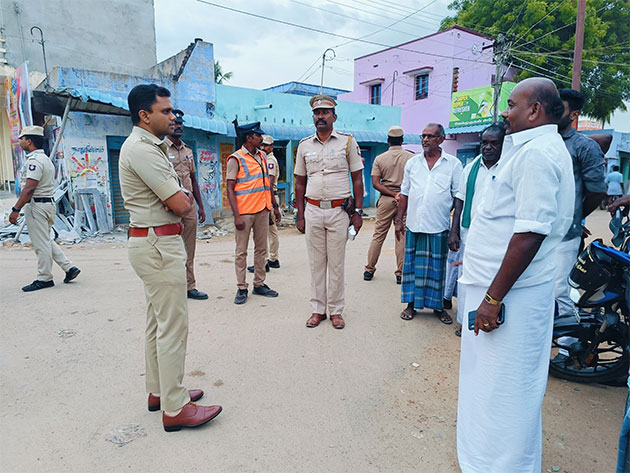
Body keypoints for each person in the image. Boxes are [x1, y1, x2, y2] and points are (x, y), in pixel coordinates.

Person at [456, 78, 574, 472]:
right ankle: (483, 459)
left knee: (506, 388)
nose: (505, 112)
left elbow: (529, 234)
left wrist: (492, 299)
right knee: (487, 383)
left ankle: (503, 465)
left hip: (511, 297)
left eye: (511, 104)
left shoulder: (538, 154)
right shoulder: (526, 148)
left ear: (534, 110)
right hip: (498, 291)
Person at [119, 84, 221, 432]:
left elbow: (179, 197)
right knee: (173, 327)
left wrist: (176, 197)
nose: (173, 115)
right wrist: (176, 198)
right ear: (144, 116)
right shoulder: (143, 150)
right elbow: (182, 203)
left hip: (152, 242)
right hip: (158, 245)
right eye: (165, 111)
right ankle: (175, 408)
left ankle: (160, 391)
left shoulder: (150, 146)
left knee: (156, 324)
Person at [294, 94, 364, 330]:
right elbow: (300, 183)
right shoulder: (304, 145)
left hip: (338, 212)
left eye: (325, 112)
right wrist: (301, 214)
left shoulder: (347, 142)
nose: (320, 116)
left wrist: (358, 212)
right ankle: (317, 309)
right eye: (317, 112)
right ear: (313, 116)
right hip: (313, 210)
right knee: (316, 264)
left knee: (336, 264)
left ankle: (336, 310)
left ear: (334, 116)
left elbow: (357, 179)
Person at [395, 123, 462, 325]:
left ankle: (439, 307)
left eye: (430, 136)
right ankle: (410, 304)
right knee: (412, 268)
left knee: (437, 270)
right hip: (414, 225)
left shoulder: (453, 164)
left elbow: (459, 198)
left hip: (439, 226)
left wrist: (454, 230)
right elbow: (404, 193)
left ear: (441, 139)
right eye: (423, 136)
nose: (425, 139)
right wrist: (399, 220)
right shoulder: (413, 163)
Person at [448, 123, 505, 333]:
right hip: (469, 233)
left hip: (496, 236)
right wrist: (454, 231)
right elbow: (460, 199)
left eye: (494, 143)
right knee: (467, 278)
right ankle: (465, 321)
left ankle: (490, 318)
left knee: (491, 279)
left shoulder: (509, 167)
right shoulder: (471, 167)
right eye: (484, 143)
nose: (488, 147)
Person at [554, 89, 607, 317]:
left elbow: (597, 191)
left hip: (564, 235)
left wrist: (575, 217)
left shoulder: (583, 147)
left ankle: (567, 346)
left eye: (559, 107)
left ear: (574, 114)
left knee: (560, 291)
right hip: (534, 232)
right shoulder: (541, 141)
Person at [8, 125, 80, 292]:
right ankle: (69, 268)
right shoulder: (46, 159)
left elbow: (29, 188)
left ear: (29, 141)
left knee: (40, 244)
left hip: (36, 206)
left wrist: (15, 209)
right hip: (48, 204)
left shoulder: (34, 161)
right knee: (46, 239)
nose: (20, 142)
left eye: (22, 139)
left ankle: (44, 278)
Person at [226, 122, 281, 305]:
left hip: (263, 210)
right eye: (258, 135)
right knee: (241, 251)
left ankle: (259, 283)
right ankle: (242, 287)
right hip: (244, 212)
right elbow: (230, 188)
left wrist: (274, 206)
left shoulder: (263, 157)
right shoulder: (236, 158)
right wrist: (236, 215)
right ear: (249, 137)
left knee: (261, 249)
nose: (261, 138)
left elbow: (267, 184)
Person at [165, 109, 208, 300]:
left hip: (189, 207)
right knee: (170, 249)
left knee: (189, 248)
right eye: (176, 123)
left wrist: (201, 206)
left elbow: (193, 179)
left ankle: (190, 286)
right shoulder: (161, 149)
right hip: (169, 208)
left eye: (182, 124)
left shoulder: (188, 150)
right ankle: (172, 287)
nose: (179, 126)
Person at [363, 126, 414, 284]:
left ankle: (369, 270)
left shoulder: (380, 158)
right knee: (402, 236)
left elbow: (375, 183)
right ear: (403, 140)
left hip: (386, 199)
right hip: (405, 199)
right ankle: (400, 273)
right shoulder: (411, 158)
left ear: (388, 140)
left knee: (378, 235)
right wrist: (400, 195)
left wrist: (392, 194)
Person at [247, 134, 280, 273]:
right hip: (268, 197)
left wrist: (273, 204)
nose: (263, 147)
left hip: (269, 197)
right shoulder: (263, 158)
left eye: (266, 145)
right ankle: (273, 259)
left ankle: (265, 260)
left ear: (272, 146)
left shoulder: (270, 161)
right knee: (271, 230)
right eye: (262, 145)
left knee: (265, 231)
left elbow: (269, 184)